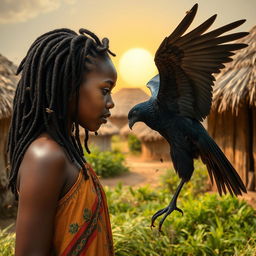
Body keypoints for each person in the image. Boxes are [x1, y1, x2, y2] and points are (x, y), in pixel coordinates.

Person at [6, 28, 117, 255]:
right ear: (69, 85)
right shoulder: (45, 157)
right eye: (104, 90)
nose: (111, 103)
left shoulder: (65, 153)